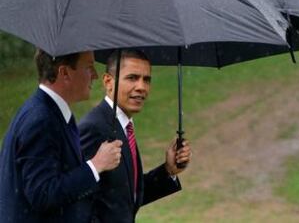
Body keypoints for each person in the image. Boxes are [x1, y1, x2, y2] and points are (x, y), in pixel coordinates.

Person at [0, 49, 123, 222]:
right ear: (64, 72)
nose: (95, 75)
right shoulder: (41, 120)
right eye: (89, 67)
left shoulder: (53, 114)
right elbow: (42, 194)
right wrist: (96, 165)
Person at [79, 50, 192, 223]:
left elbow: (125, 197)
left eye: (146, 79)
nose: (141, 87)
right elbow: (76, 205)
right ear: (108, 81)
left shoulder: (124, 125)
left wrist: (168, 171)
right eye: (132, 78)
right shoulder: (94, 128)